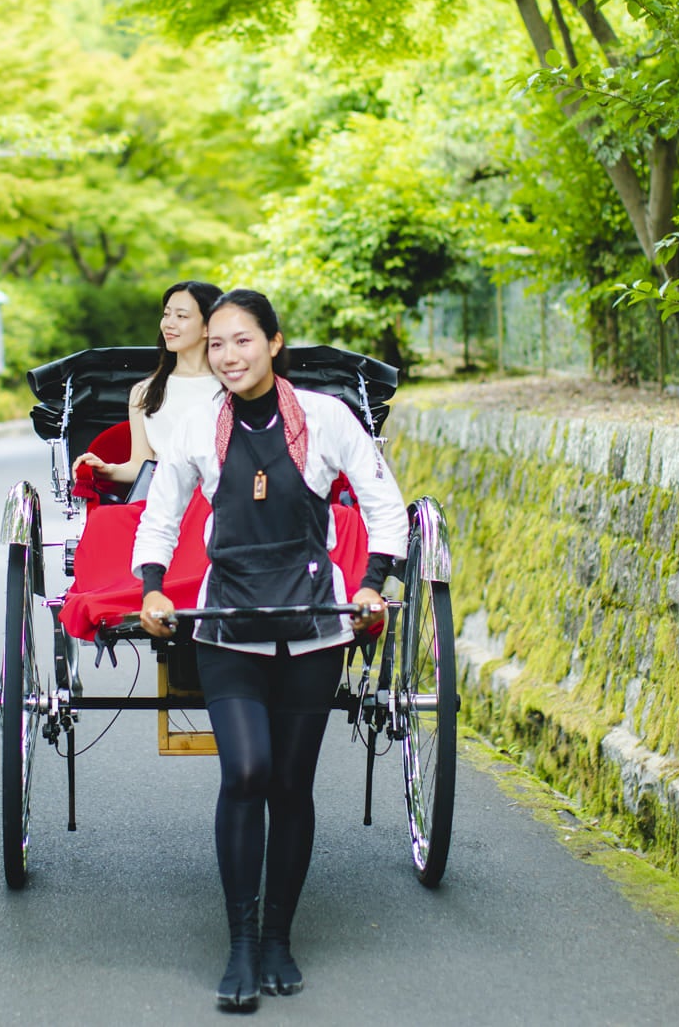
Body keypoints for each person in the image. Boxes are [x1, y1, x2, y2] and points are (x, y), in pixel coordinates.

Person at [131, 288, 405, 1012]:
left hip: (315, 623)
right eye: (216, 343)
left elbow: (382, 502)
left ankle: (280, 935)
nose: (227, 355)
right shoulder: (197, 423)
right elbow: (162, 511)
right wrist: (154, 587)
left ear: (275, 343)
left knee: (290, 784)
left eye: (242, 340)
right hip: (228, 622)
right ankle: (242, 941)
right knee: (246, 770)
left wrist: (374, 581)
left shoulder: (325, 417)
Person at [75, 280, 223, 485]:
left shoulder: (230, 388)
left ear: (209, 327)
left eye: (181, 316)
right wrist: (107, 469)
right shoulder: (145, 391)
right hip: (162, 502)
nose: (168, 324)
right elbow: (140, 465)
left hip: (216, 500)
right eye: (166, 314)